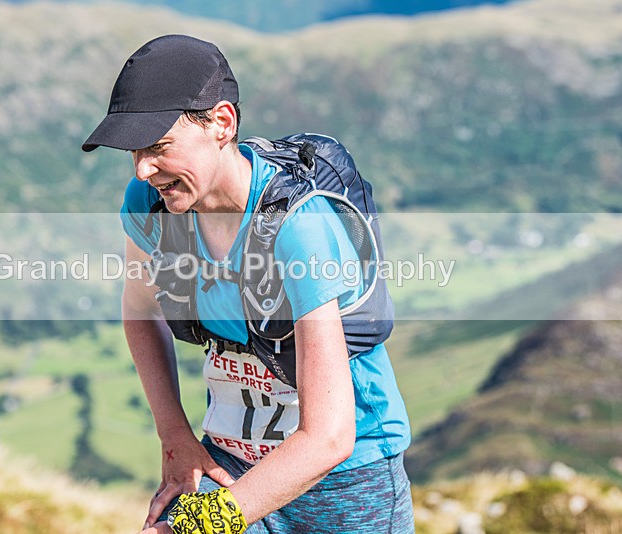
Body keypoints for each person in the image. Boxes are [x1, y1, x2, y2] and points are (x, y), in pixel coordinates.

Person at [82, 34, 414, 533]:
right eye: (134, 152)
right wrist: (174, 435)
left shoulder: (297, 225)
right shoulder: (149, 206)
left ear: (221, 123)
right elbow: (140, 310)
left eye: (157, 147)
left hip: (346, 482)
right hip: (228, 461)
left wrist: (198, 525)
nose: (143, 169)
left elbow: (330, 437)